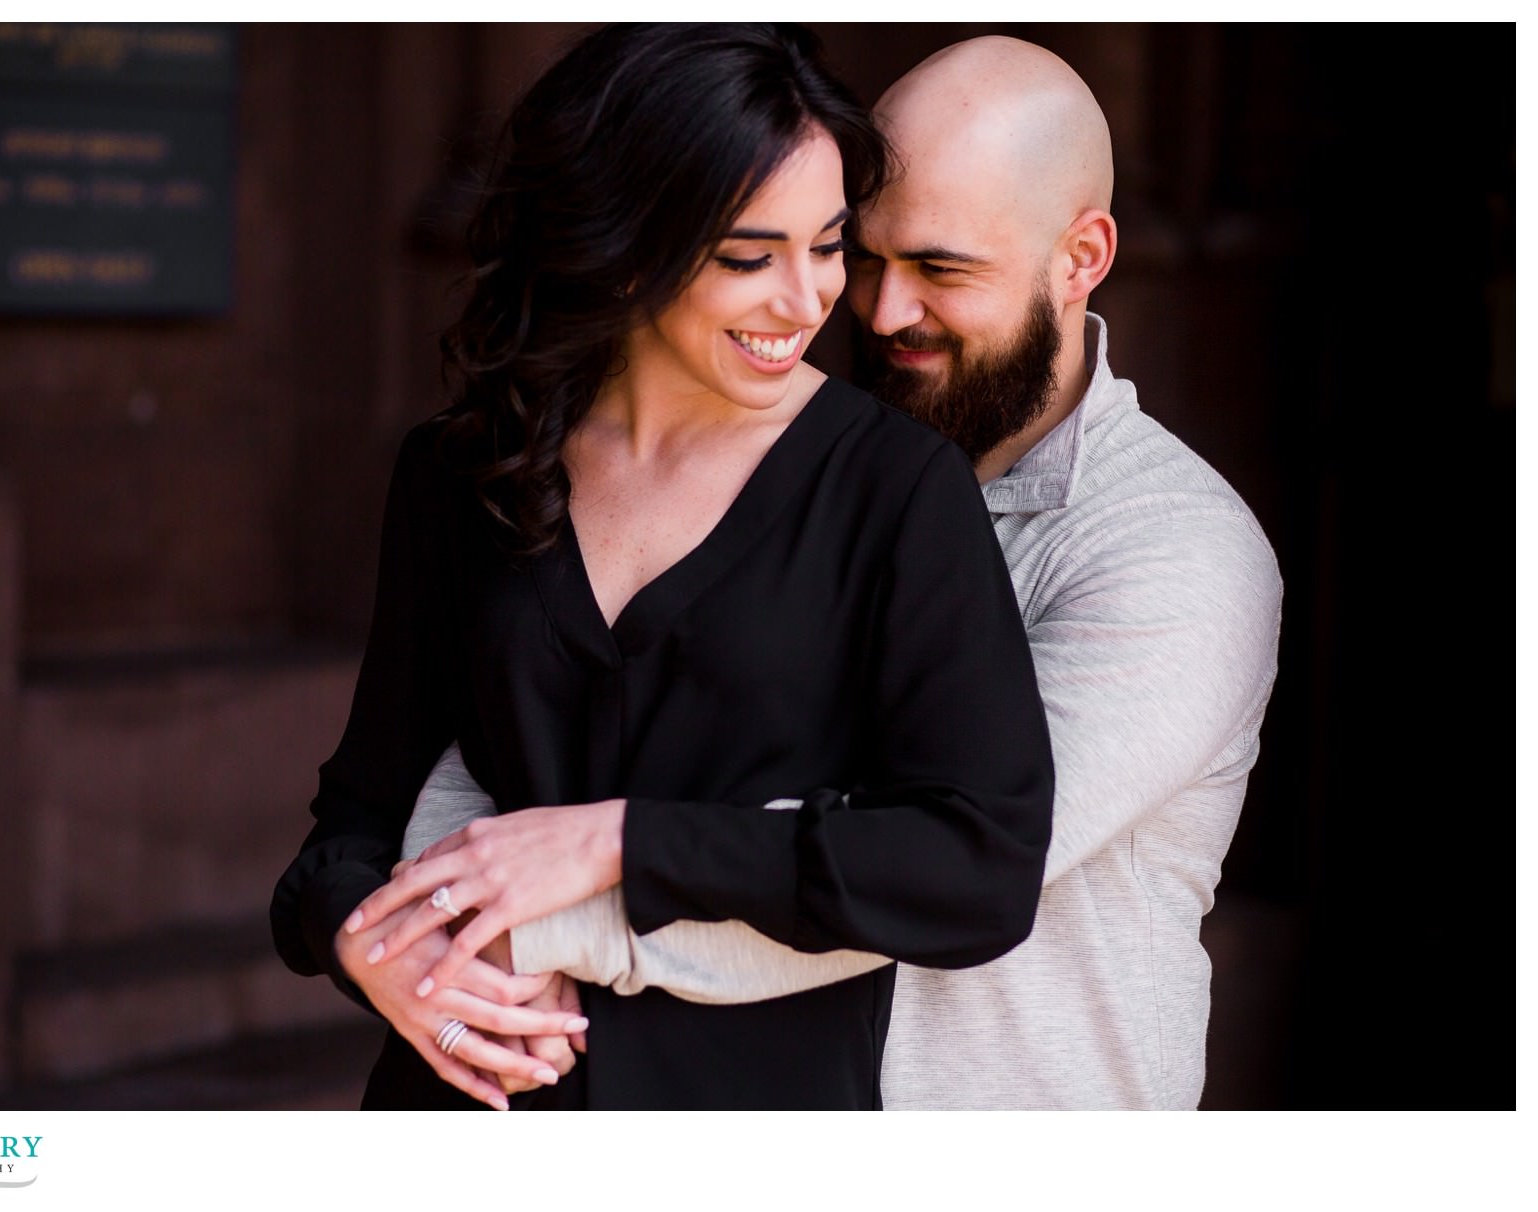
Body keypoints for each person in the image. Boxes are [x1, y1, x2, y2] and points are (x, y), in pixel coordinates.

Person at [404, 35, 1283, 1110]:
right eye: (857, 254)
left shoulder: (1171, 550)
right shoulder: (789, 462)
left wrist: (518, 926)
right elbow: (509, 728)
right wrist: (420, 918)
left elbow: (946, 866)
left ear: (1080, 255)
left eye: (939, 269)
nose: (872, 311)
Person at [269, 24, 1054, 1111]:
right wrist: (367, 953)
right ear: (625, 243)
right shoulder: (464, 468)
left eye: (827, 244)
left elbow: (978, 867)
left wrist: (622, 840)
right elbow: (353, 821)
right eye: (748, 256)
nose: (807, 299)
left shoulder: (895, 490)